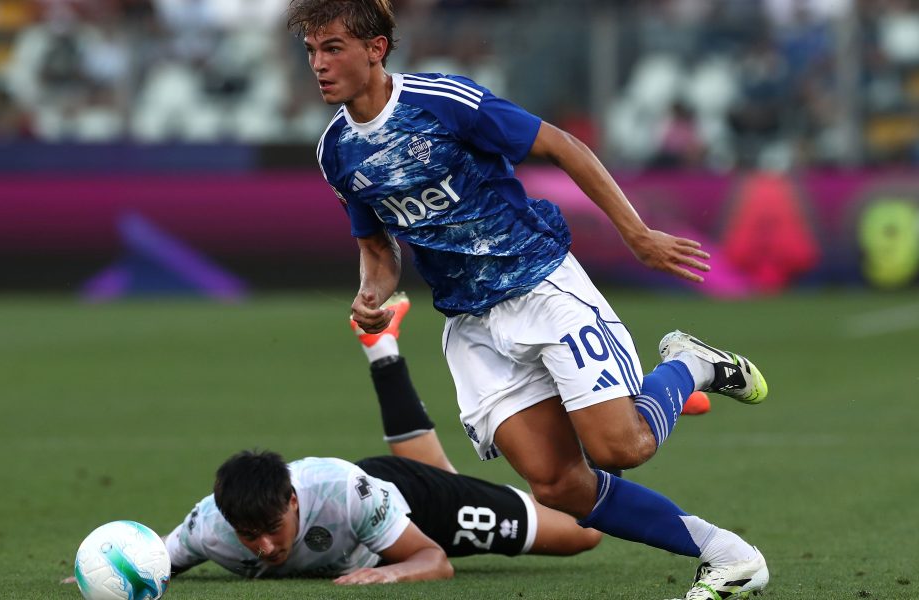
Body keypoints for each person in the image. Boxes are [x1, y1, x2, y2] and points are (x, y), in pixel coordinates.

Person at [286, 1, 770, 598]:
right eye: (311, 51)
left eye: (332, 47)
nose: (319, 64)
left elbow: (562, 145)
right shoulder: (337, 151)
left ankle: (689, 365)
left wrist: (637, 234)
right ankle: (730, 555)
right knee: (557, 485)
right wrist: (371, 294)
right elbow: (380, 247)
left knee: (620, 448)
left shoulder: (443, 102)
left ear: (376, 48)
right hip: (470, 324)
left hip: (541, 285)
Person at [159, 293, 604, 583]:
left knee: (584, 531)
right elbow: (155, 558)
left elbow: (435, 561)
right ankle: (381, 345)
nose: (265, 547)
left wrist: (392, 574)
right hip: (375, 504)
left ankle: (602, 403)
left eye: (272, 529)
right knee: (432, 469)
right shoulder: (209, 529)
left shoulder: (344, 494)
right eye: (249, 535)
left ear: (292, 501)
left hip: (417, 503)